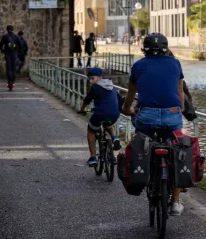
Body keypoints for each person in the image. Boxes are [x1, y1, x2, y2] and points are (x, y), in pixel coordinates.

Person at [122, 32, 186, 216]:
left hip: (147, 115)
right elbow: (179, 92)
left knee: (142, 144)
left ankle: (147, 173)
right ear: (166, 48)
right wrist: (178, 110)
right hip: (172, 115)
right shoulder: (175, 63)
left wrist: (127, 109)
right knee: (175, 150)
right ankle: (175, 202)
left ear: (144, 49)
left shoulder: (139, 65)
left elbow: (130, 93)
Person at [78, 67, 122, 166]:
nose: (90, 81)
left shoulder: (95, 87)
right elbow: (120, 100)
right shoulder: (112, 86)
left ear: (100, 77)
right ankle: (114, 138)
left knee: (91, 130)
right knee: (109, 122)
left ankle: (93, 157)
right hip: (114, 113)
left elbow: (87, 100)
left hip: (100, 113)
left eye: (92, 78)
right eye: (89, 79)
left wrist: (82, 109)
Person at [0, 25, 21, 91]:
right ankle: (12, 82)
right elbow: (20, 45)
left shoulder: (5, 36)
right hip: (14, 53)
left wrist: (3, 51)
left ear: (7, 29)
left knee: (8, 69)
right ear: (13, 29)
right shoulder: (16, 37)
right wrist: (18, 52)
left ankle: (9, 82)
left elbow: (0, 45)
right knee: (13, 69)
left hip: (7, 54)